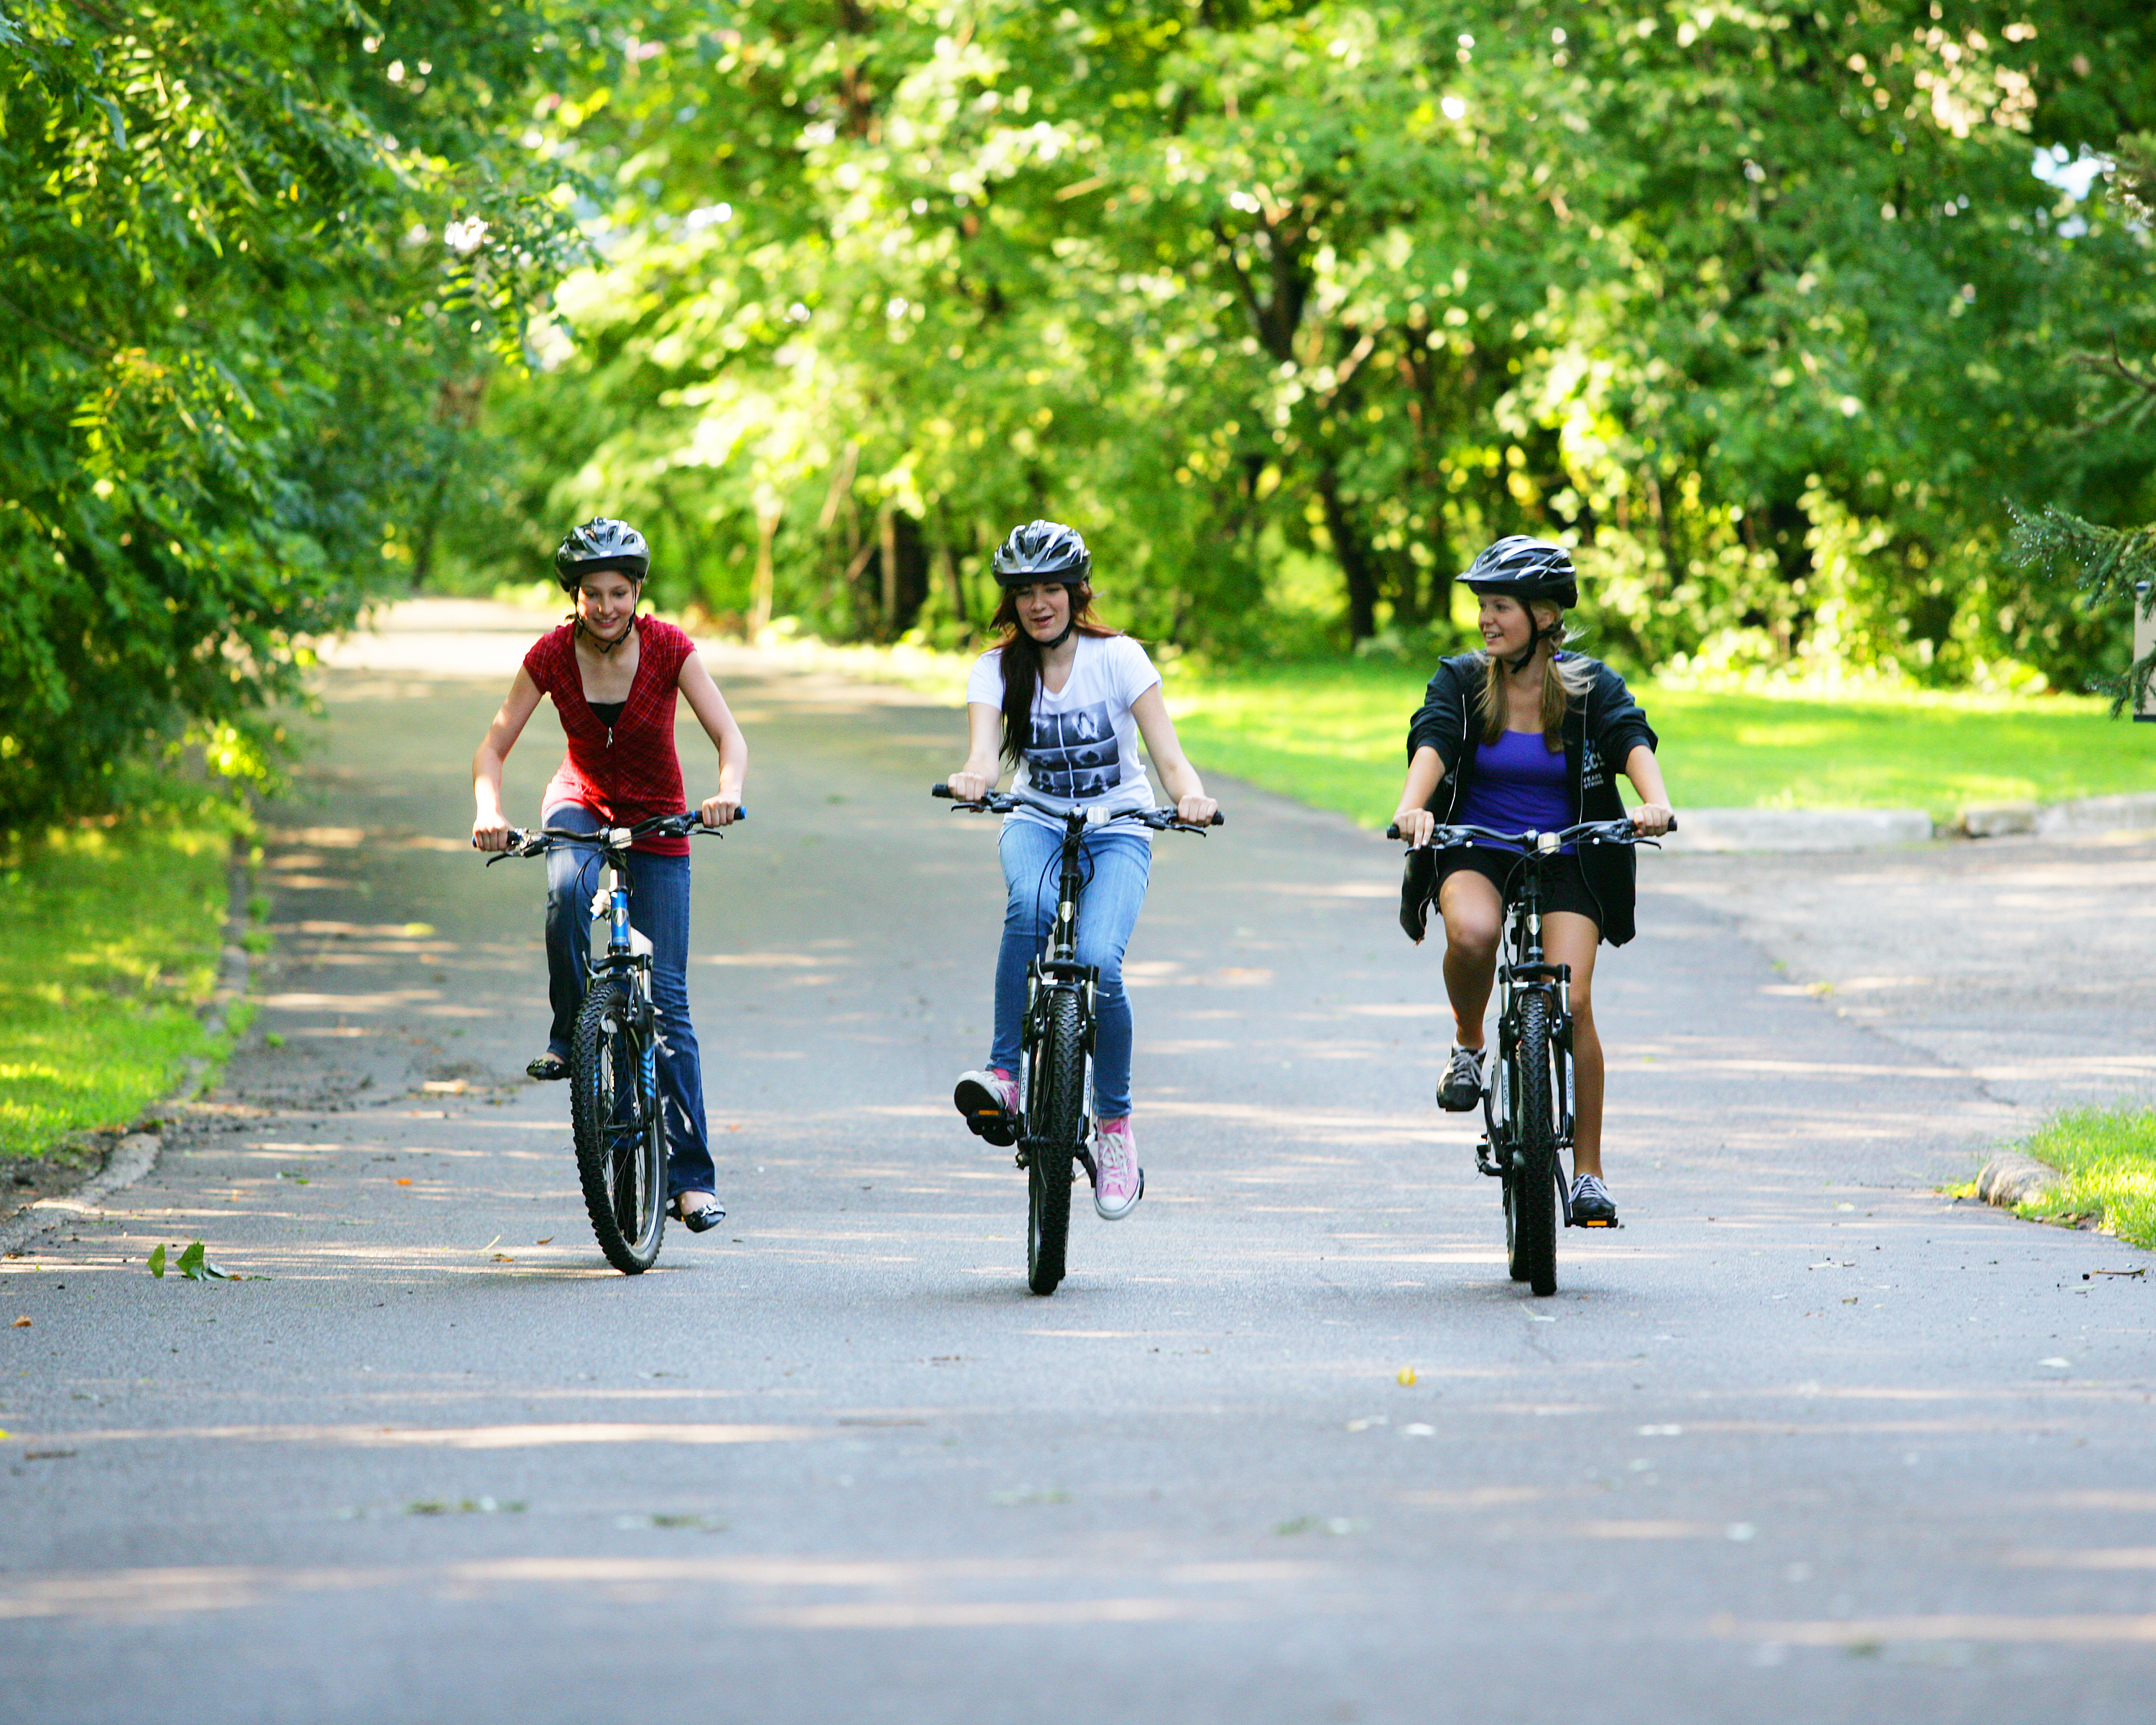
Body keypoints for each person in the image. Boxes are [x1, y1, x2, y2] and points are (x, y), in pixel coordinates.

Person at [470, 518, 747, 1233]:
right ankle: (572, 1027)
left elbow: (729, 736)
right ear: (575, 596)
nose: (606, 607)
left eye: (618, 592)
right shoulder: (552, 656)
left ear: (638, 592)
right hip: (581, 803)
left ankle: (691, 1182)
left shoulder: (670, 649)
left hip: (661, 818)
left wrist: (727, 791)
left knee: (673, 1008)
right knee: (566, 893)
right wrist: (488, 810)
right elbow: (493, 747)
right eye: (592, 593)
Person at [1390, 535, 1674, 1225]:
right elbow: (1432, 740)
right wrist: (1412, 806)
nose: (1486, 620)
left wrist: (1654, 802)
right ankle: (1467, 1044)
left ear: (1544, 617)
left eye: (1500, 607)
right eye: (1482, 607)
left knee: (1572, 999)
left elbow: (1628, 736)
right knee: (1474, 933)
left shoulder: (1588, 686)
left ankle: (1589, 1176)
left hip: (1570, 851)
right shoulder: (1461, 683)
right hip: (1478, 844)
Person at [943, 520, 1218, 1221]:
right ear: (1012, 600)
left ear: (1077, 591)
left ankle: (1116, 1128)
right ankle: (1006, 1075)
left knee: (1100, 961)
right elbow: (982, 754)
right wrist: (975, 779)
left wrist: (1187, 794)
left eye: (1052, 589)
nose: (1040, 603)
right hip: (1036, 821)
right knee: (1029, 914)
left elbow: (1168, 753)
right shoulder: (994, 668)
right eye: (1025, 591)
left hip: (1119, 828)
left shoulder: (1119, 658)